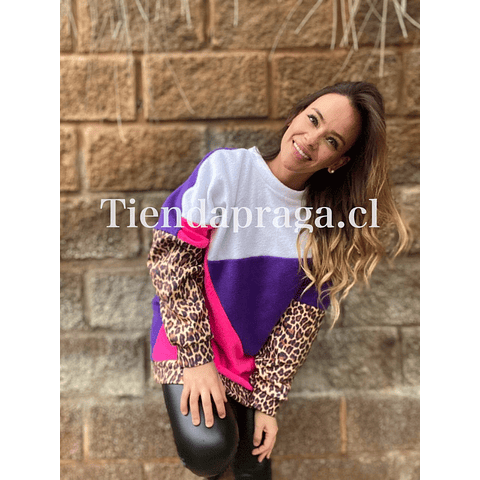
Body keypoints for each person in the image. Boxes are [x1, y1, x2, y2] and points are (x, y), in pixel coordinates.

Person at [147, 81, 409, 479]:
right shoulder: (227, 171)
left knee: (253, 467)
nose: (311, 139)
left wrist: (267, 402)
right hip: (187, 340)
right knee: (210, 449)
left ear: (338, 161)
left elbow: (297, 327)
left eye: (331, 141)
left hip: (247, 364)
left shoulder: (324, 229)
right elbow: (172, 258)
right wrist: (197, 360)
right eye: (313, 120)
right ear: (295, 115)